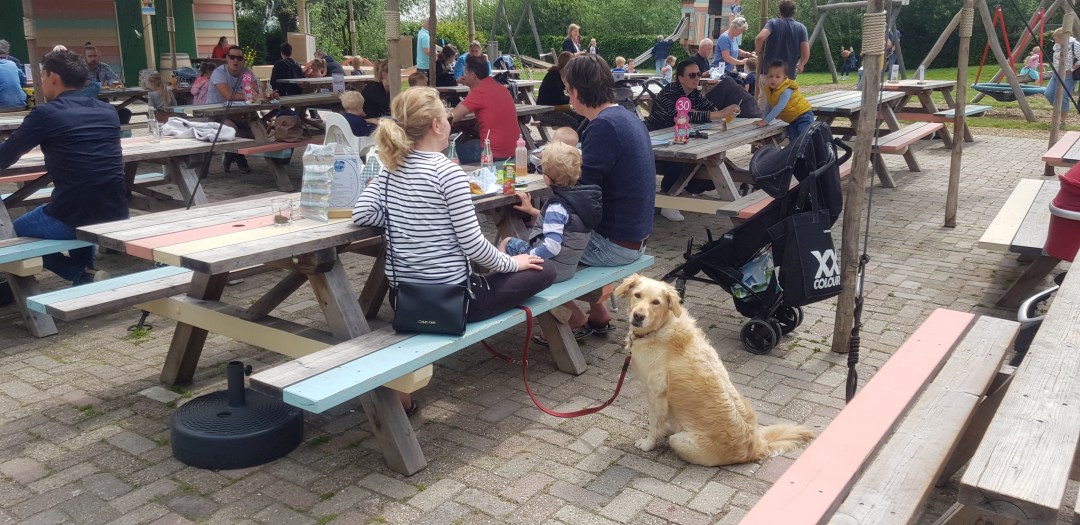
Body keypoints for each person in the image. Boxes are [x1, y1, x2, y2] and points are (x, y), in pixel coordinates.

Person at [352, 87, 555, 415]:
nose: (450, 122)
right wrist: (512, 264)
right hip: (455, 301)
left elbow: (362, 214)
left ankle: (404, 393)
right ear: (436, 125)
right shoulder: (448, 172)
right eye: (447, 117)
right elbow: (474, 247)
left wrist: (399, 208)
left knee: (503, 265)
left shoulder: (391, 170)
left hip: (404, 297)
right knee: (544, 269)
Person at [0, 48, 126, 285]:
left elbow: (5, 158)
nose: (41, 82)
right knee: (78, 198)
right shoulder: (108, 111)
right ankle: (86, 274)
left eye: (42, 76)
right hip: (116, 211)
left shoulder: (45, 114)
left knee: (11, 232)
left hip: (73, 216)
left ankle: (77, 272)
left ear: (53, 78)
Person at [561, 54, 654, 333]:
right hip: (636, 237)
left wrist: (551, 178)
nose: (568, 95)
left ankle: (573, 319)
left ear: (576, 91)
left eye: (567, 89)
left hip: (614, 246)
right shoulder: (626, 117)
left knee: (532, 249)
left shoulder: (603, 126)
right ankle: (599, 313)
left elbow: (580, 194)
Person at [503, 140, 602, 343]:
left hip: (552, 269)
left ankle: (503, 290)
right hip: (569, 266)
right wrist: (532, 211)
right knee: (517, 243)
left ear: (546, 178)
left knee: (506, 242)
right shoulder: (582, 199)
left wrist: (529, 257)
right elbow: (566, 226)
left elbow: (552, 245)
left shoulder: (557, 206)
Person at [647, 60, 740, 222]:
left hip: (681, 138)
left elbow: (711, 110)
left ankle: (686, 191)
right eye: (692, 75)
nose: (697, 78)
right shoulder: (670, 92)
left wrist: (727, 112)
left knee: (711, 161)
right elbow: (682, 116)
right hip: (657, 140)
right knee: (682, 160)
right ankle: (668, 201)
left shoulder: (695, 94)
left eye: (699, 74)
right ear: (680, 78)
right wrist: (717, 115)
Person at [450, 55, 520, 164]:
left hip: (492, 152)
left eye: (465, 74)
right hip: (514, 148)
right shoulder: (500, 87)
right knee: (467, 142)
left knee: (449, 152)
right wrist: (470, 84)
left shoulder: (479, 92)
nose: (464, 76)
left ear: (473, 75)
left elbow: (453, 116)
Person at [208, 45, 263, 172]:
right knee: (231, 130)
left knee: (260, 128)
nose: (236, 60)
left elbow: (258, 92)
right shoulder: (219, 72)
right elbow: (228, 95)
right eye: (232, 57)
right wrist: (251, 96)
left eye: (239, 58)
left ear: (243, 60)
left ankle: (230, 154)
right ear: (226, 58)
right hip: (217, 115)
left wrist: (267, 94)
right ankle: (240, 159)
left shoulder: (246, 72)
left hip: (240, 113)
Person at [756, 59, 814, 141]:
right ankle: (795, 153)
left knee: (804, 140)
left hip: (803, 116)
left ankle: (810, 153)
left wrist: (766, 120)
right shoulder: (769, 90)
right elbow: (769, 104)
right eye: (770, 76)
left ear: (784, 78)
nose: (773, 79)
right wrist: (764, 119)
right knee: (794, 141)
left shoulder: (787, 89)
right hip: (792, 119)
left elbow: (780, 107)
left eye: (777, 77)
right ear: (766, 77)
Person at [755, 0, 810, 79]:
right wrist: (801, 64)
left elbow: (760, 38)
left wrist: (758, 51)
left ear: (780, 11)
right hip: (788, 75)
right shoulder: (801, 28)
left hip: (769, 74)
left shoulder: (772, 23)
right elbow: (805, 52)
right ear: (794, 12)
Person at [537, 52, 582, 128]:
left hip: (558, 108)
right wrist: (571, 97)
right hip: (545, 111)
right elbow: (558, 98)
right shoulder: (553, 75)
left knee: (582, 118)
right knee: (572, 122)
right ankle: (576, 139)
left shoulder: (563, 74)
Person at [1045, 28, 1080, 120]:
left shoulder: (1075, 45)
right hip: (1056, 73)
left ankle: (1062, 119)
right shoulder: (1057, 46)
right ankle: (1058, 109)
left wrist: (1071, 69)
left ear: (1062, 38)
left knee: (1064, 95)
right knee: (1048, 93)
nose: (1054, 40)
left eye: (1056, 38)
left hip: (1069, 74)